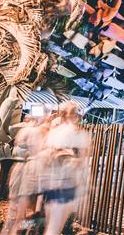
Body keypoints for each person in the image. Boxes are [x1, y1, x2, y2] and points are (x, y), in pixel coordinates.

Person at [40, 101, 91, 235]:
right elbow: (82, 161)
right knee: (54, 228)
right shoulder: (76, 134)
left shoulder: (56, 132)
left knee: (53, 226)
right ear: (66, 115)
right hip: (63, 184)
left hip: (57, 185)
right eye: (74, 112)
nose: (77, 115)